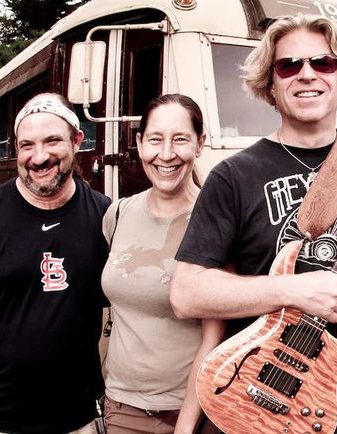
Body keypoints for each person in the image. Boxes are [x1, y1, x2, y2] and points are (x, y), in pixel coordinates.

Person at [169, 14, 337, 432]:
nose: (306, 74)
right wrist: (293, 290)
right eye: (289, 65)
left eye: (323, 63)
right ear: (270, 84)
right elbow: (186, 294)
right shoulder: (234, 176)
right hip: (258, 401)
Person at [0, 93, 111, 433]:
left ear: (77, 141)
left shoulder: (104, 216)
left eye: (52, 141)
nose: (39, 157)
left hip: (78, 418)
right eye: (27, 145)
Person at [100, 94, 223, 434]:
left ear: (200, 143)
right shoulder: (118, 214)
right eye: (155, 140)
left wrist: (186, 424)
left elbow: (215, 336)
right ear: (140, 144)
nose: (166, 154)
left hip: (196, 412)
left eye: (180, 139)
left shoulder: (216, 220)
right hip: (122, 408)